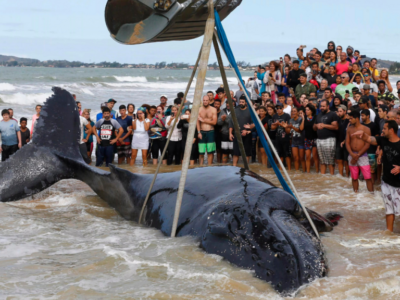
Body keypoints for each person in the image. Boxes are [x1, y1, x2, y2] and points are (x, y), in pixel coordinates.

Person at [352, 120, 400, 232]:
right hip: (386, 181)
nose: (382, 131)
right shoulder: (383, 140)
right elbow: (370, 139)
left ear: (391, 130)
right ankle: (389, 233)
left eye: (384, 129)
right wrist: (363, 135)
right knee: (389, 209)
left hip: (398, 184)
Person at [345, 110, 374, 193]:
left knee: (368, 177)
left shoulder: (366, 129)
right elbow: (347, 143)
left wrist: (357, 155)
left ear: (356, 118)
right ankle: (356, 195)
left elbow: (367, 144)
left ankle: (372, 195)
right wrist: (351, 154)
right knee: (354, 177)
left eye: (351, 118)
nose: (349, 120)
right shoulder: (349, 129)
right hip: (352, 154)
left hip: (363, 155)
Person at [313, 100, 339, 175]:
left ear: (328, 106)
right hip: (319, 140)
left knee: (330, 161)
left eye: (323, 106)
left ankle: (331, 176)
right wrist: (316, 125)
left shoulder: (333, 114)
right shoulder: (319, 115)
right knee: (322, 161)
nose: (322, 108)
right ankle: (323, 177)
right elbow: (314, 127)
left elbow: (336, 127)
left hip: (330, 139)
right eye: (321, 106)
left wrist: (324, 125)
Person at [229, 96, 254, 166]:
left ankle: (246, 168)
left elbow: (254, 124)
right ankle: (234, 167)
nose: (241, 103)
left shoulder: (250, 111)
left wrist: (247, 131)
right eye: (240, 102)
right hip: (237, 134)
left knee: (247, 152)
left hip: (247, 134)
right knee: (235, 152)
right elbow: (231, 122)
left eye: (242, 102)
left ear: (246, 103)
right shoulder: (235, 111)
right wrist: (230, 133)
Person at [197, 96, 217, 165]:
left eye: (206, 100)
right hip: (202, 132)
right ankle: (200, 167)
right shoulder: (199, 109)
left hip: (210, 132)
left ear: (209, 101)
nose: (205, 101)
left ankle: (209, 167)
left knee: (210, 152)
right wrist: (199, 132)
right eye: (204, 100)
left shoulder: (213, 109)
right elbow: (197, 122)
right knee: (201, 152)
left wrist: (204, 120)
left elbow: (214, 122)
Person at [271, 102, 291, 170]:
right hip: (278, 137)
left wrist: (280, 124)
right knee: (280, 154)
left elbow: (288, 127)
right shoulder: (274, 116)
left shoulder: (287, 116)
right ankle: (281, 169)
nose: (278, 109)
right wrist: (276, 125)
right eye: (277, 108)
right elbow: (272, 128)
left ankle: (289, 169)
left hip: (285, 137)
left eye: (280, 108)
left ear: (283, 108)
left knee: (287, 154)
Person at [361, 109, 378, 184]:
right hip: (362, 150)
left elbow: (377, 138)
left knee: (372, 170)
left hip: (372, 150)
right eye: (361, 115)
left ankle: (373, 185)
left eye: (363, 115)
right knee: (364, 169)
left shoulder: (374, 125)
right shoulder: (361, 125)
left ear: (368, 116)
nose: (361, 117)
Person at [288, 107, 305, 171]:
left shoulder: (301, 119)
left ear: (297, 112)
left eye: (295, 111)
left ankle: (304, 172)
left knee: (302, 158)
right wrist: (285, 127)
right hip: (294, 140)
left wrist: (292, 127)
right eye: (292, 111)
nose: (293, 113)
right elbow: (289, 131)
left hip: (301, 140)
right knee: (295, 158)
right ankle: (297, 172)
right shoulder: (290, 120)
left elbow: (300, 130)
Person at [336, 105, 349, 177]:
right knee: (339, 160)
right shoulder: (338, 120)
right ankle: (341, 176)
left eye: (341, 111)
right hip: (338, 142)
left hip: (347, 142)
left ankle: (347, 176)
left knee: (346, 161)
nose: (339, 113)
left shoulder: (348, 121)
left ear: (345, 111)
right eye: (338, 111)